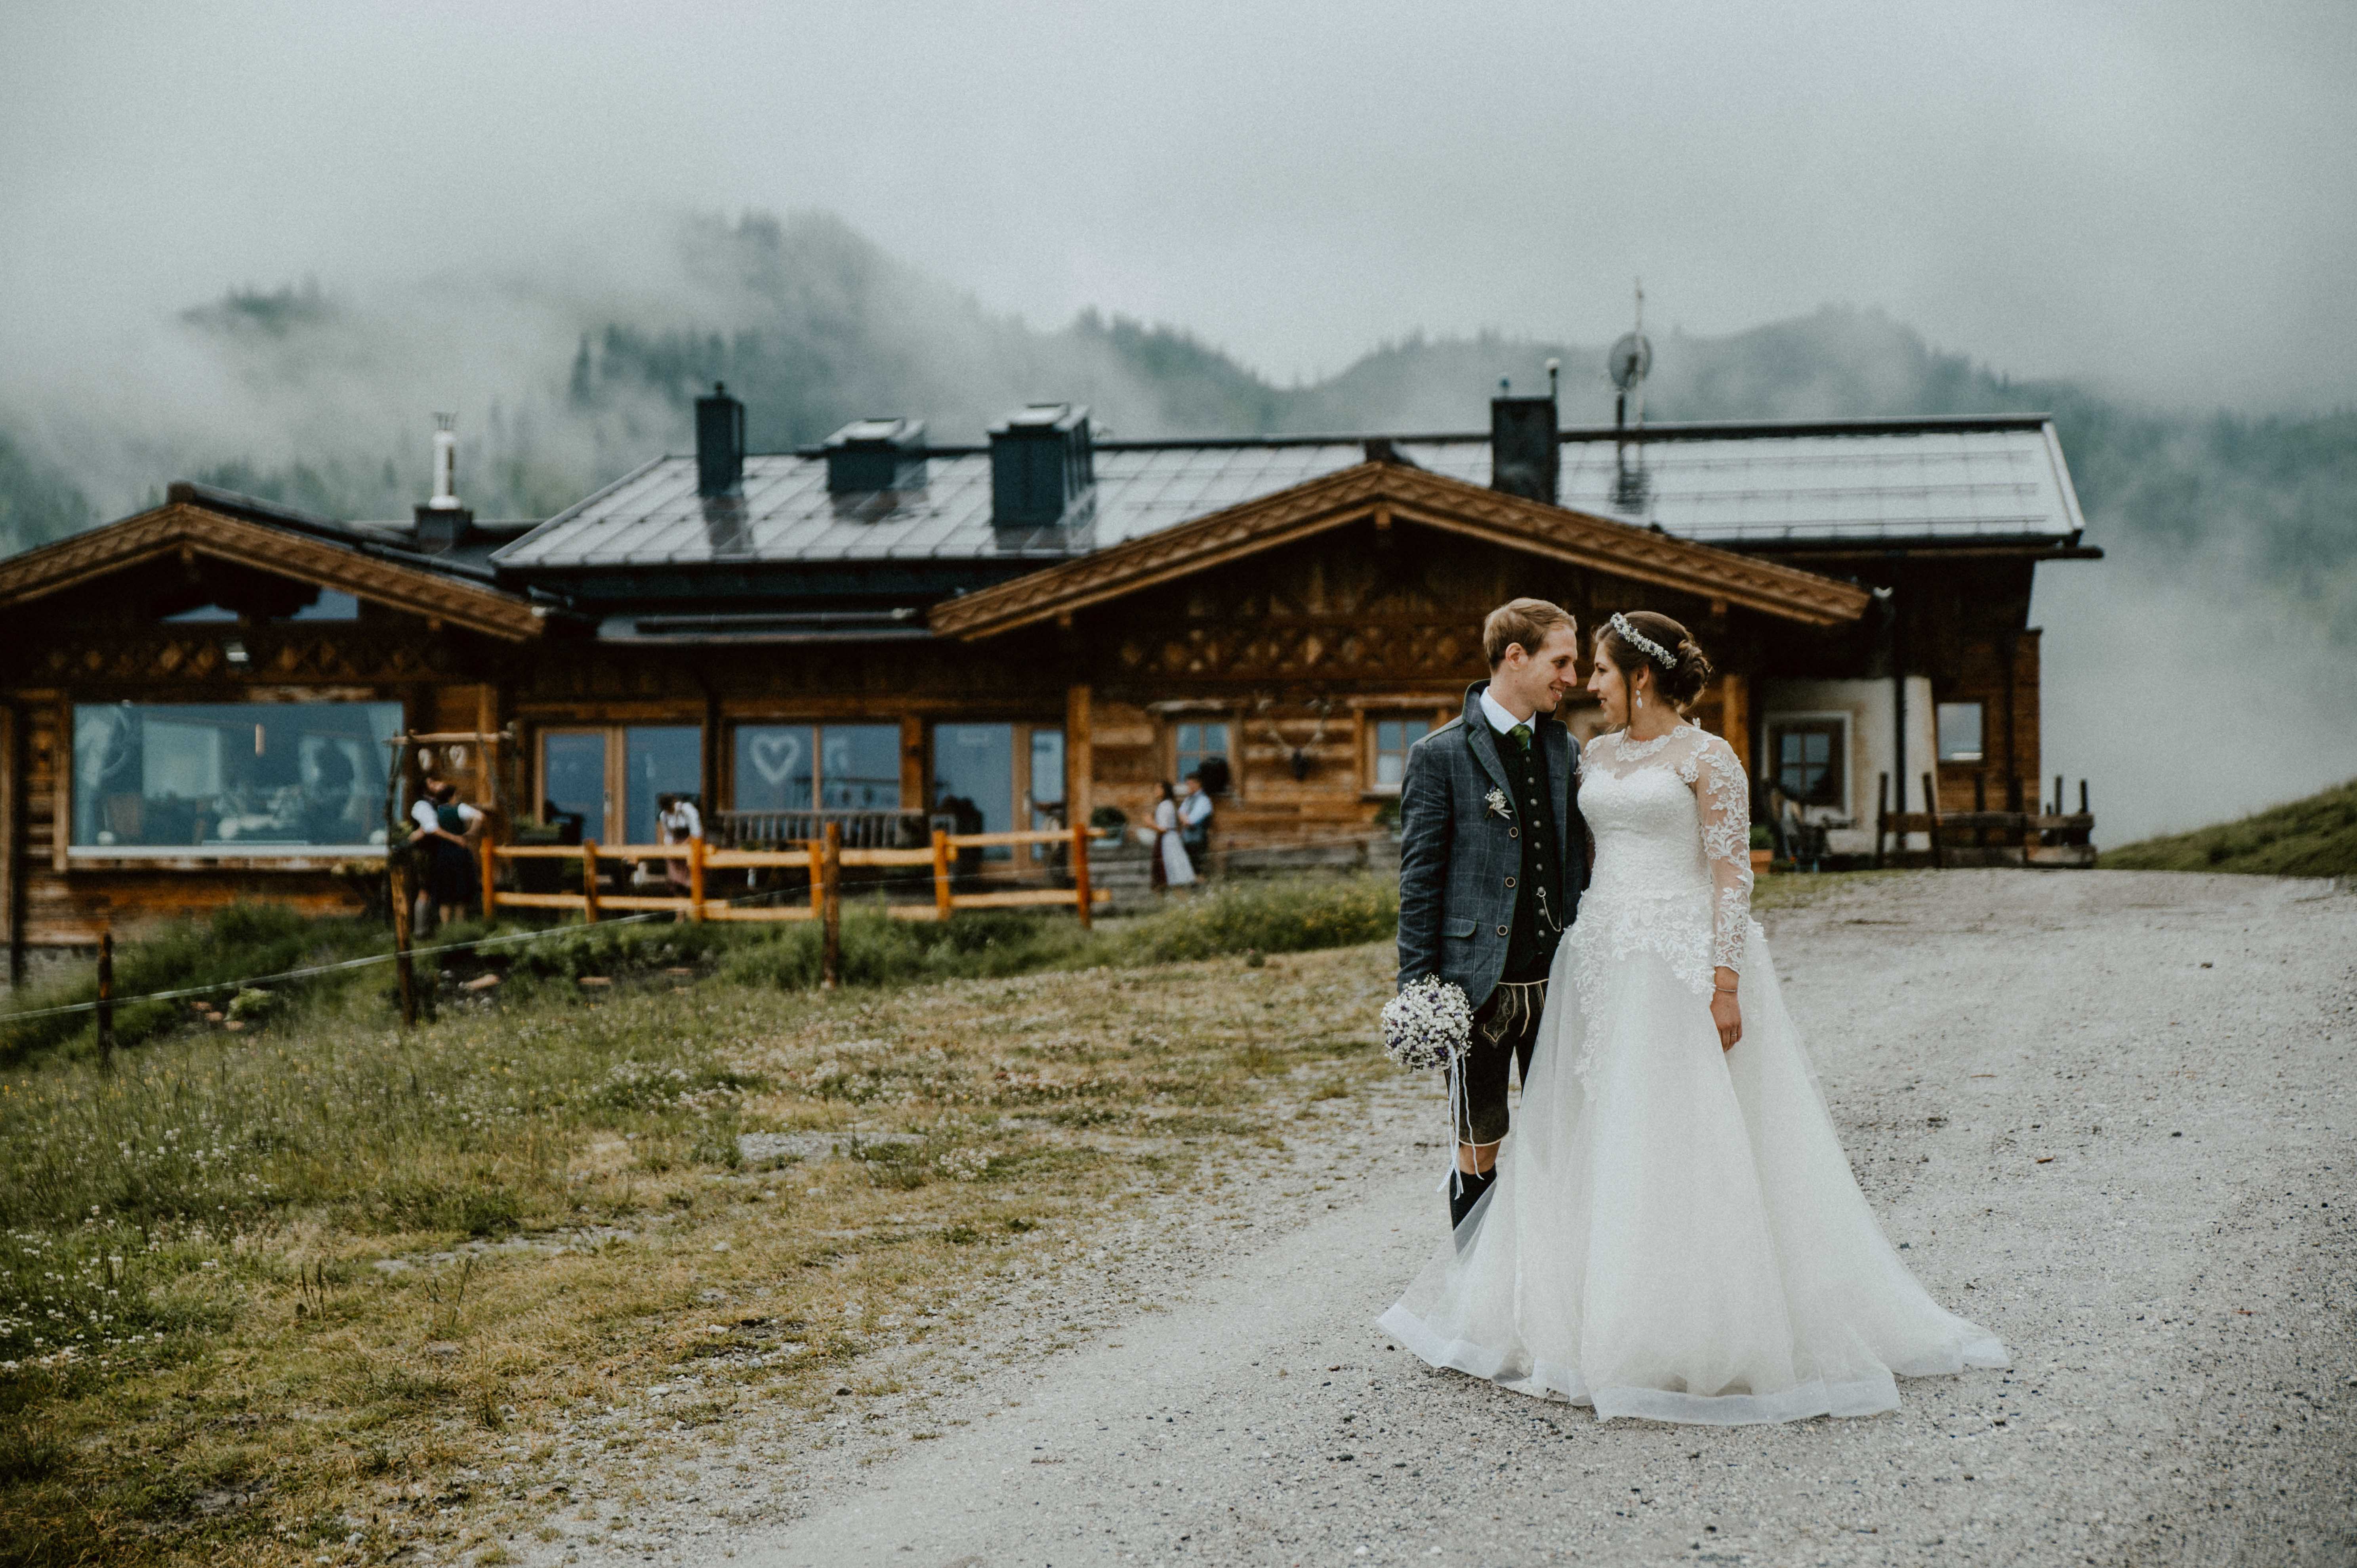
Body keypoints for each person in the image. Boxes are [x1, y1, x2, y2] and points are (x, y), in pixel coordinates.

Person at [1379, 610, 2008, 1425]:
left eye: (1595, 670)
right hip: (1599, 956)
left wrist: (1722, 979)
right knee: (1590, 1137)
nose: (1584, 685)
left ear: (1636, 676)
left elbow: (1729, 875)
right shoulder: (1589, 755)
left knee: (1682, 1136)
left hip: (1673, 959)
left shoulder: (1707, 758)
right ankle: (1567, 1311)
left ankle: (1697, 1324)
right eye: (1572, 667)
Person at [1392, 598, 1587, 1232]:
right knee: (1477, 1145)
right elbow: (1418, 881)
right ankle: (1476, 1299)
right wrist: (1419, 990)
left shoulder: (1565, 748)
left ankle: (1551, 1292)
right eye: (1560, 661)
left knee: (1563, 1144)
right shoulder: (1440, 754)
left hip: (1557, 983)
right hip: (1474, 988)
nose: (1572, 677)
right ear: (1515, 656)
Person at [409, 777, 483, 934]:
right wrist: (467, 835)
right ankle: (427, 930)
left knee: (445, 894)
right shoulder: (426, 806)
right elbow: (432, 829)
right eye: (431, 783)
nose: (435, 785)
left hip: (442, 853)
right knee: (456, 893)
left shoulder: (436, 810)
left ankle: (445, 929)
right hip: (447, 853)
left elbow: (429, 828)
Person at [1150, 781, 1196, 892]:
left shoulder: (1165, 805)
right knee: (1171, 874)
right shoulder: (1168, 804)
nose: (1155, 791)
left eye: (1158, 788)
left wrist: (1150, 823)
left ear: (1164, 790)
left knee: (1173, 872)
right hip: (1169, 839)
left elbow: (1164, 828)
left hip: (1168, 841)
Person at [657, 791, 703, 895]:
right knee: (673, 866)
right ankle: (677, 890)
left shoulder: (687, 810)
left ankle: (690, 889)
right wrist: (670, 848)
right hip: (676, 844)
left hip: (692, 843)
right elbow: (668, 835)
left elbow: (697, 832)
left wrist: (686, 844)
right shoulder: (664, 816)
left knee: (690, 867)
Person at [1177, 771, 1214, 876]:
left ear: (1197, 784)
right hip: (1187, 840)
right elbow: (1180, 813)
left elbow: (1191, 821)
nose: (1188, 786)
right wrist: (1184, 818)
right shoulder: (1188, 800)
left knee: (1198, 869)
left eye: (1189, 784)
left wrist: (1185, 819)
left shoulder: (1204, 801)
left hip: (1198, 841)